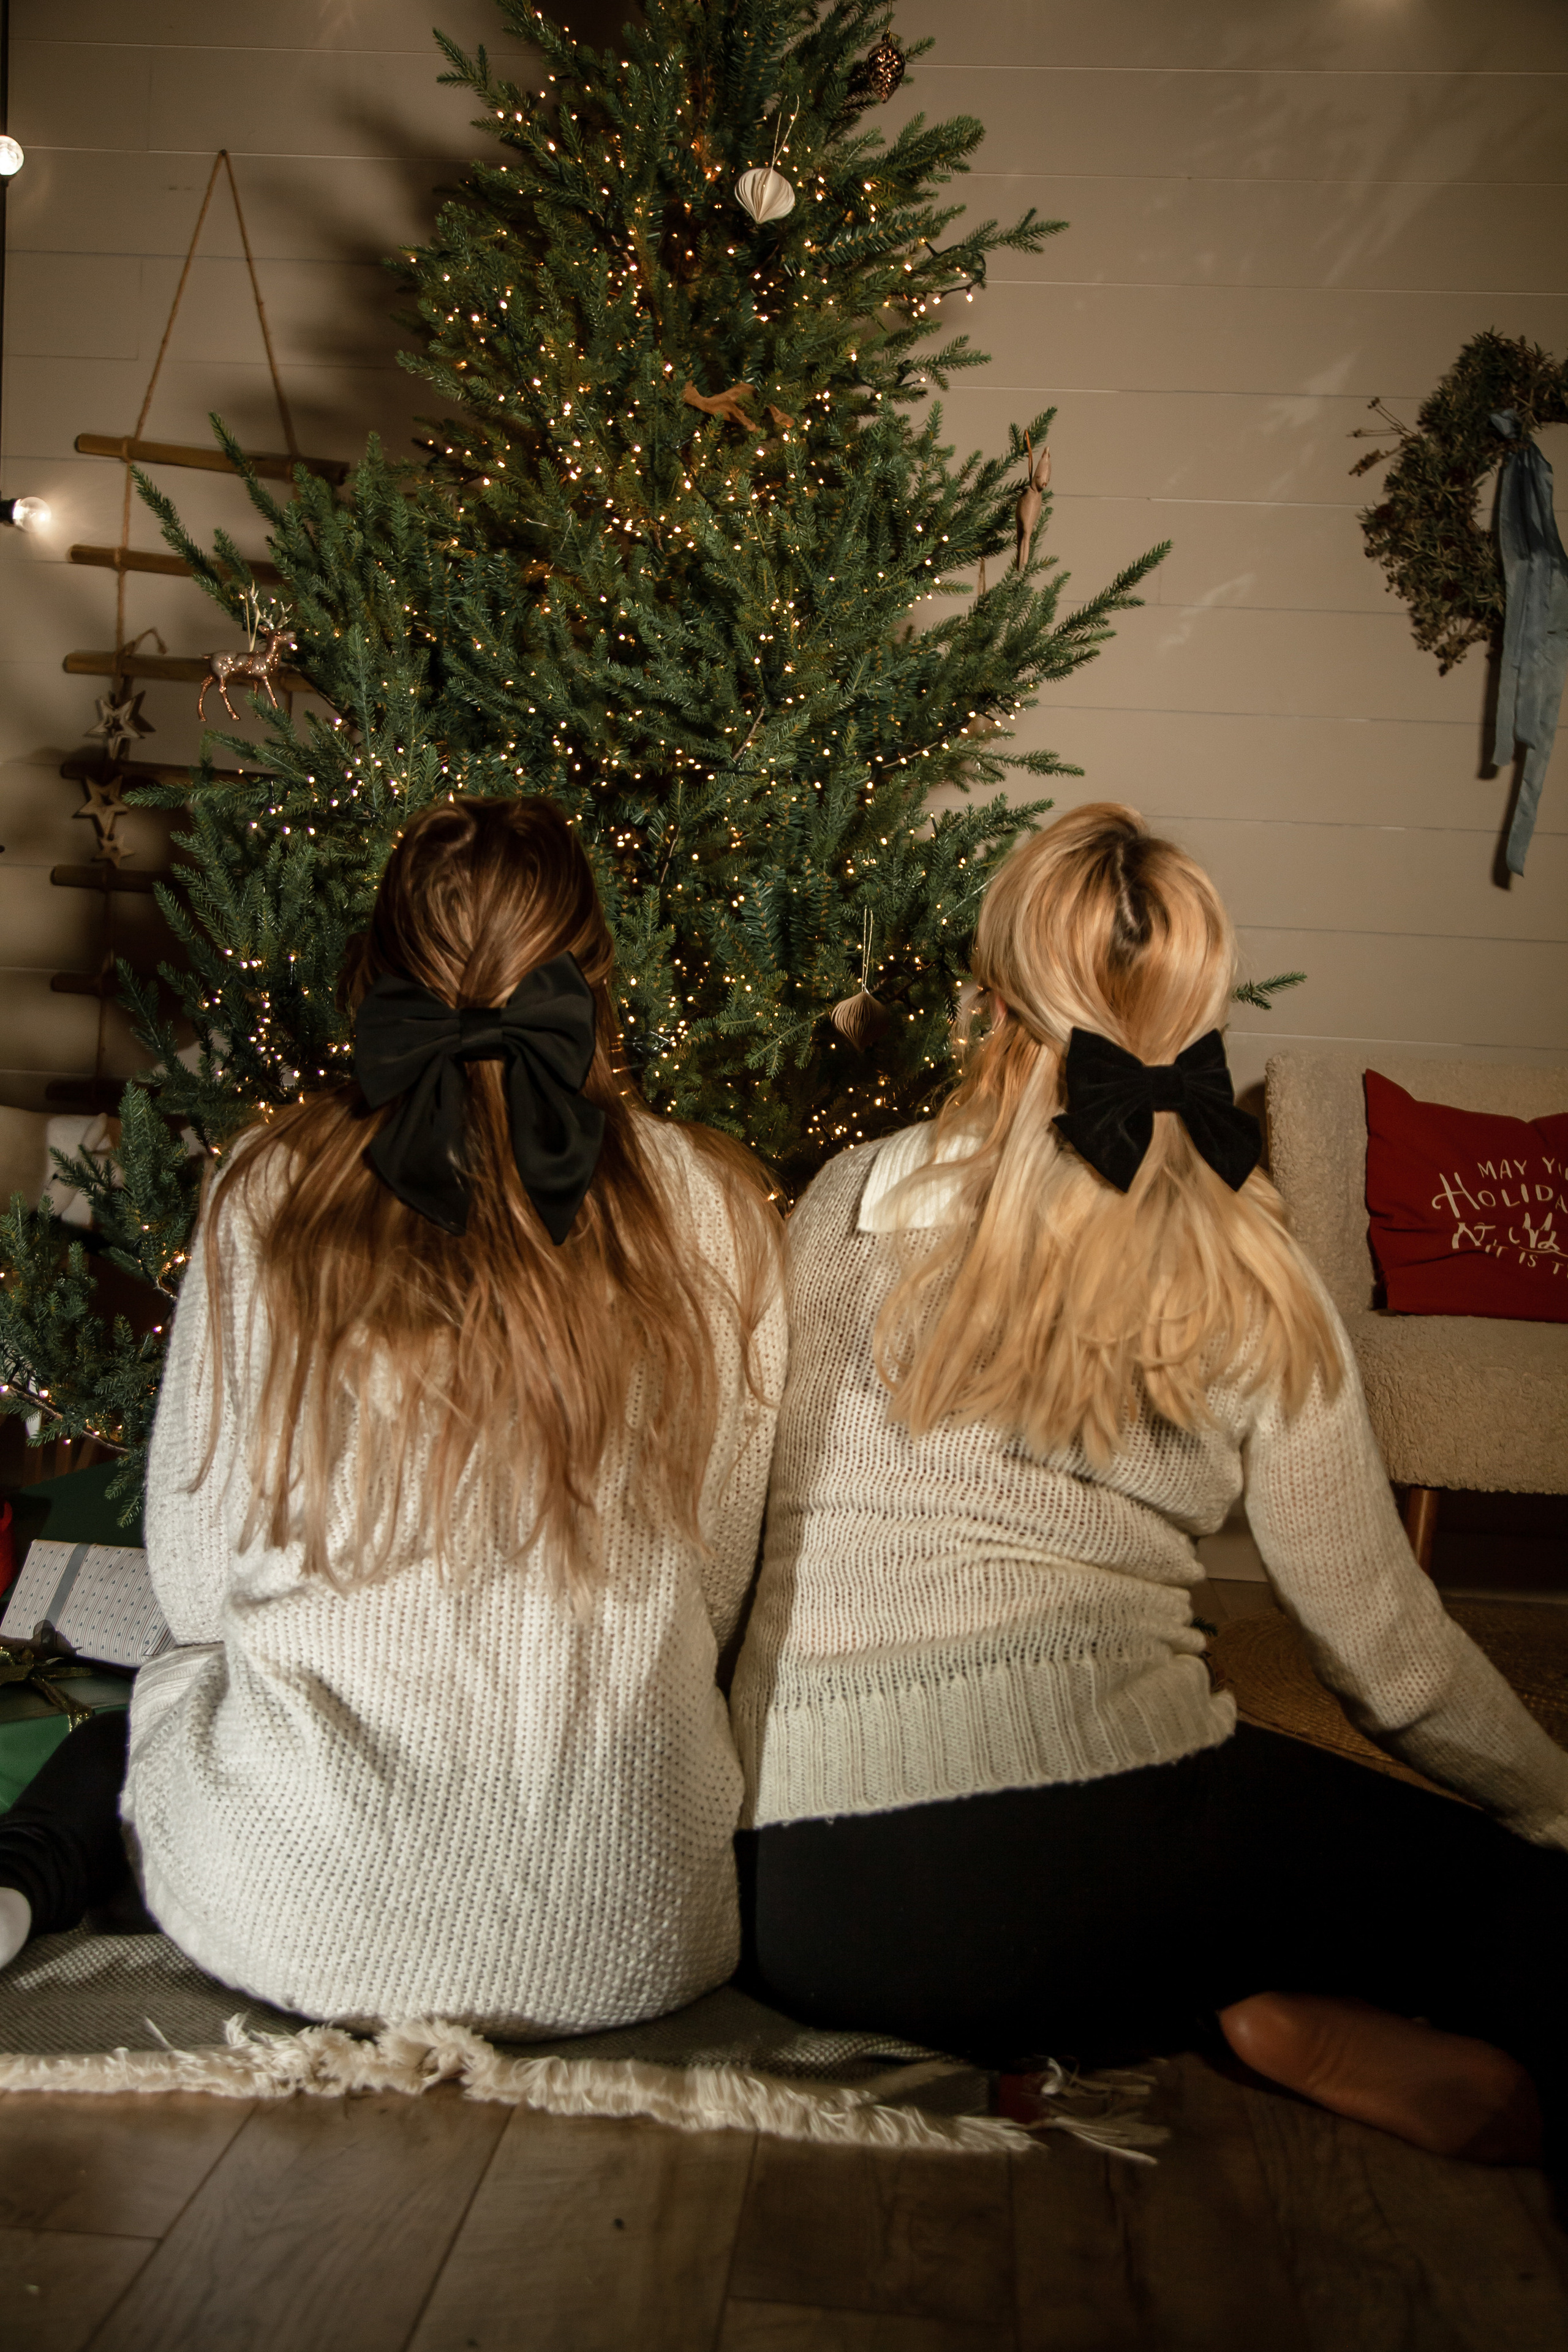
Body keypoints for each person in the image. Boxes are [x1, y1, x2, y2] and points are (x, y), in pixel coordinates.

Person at [731, 803, 1568, 2165]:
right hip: (1098, 1871)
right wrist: (1548, 1802)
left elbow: (751, 1532)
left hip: (807, 1906)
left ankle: (1235, 1995)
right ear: (1196, 1007)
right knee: (1492, 1896)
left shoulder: (847, 1201)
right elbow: (1381, 1652)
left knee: (1167, 1841)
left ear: (982, 1000)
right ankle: (1258, 1989)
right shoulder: (1248, 1270)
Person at [0, 796, 785, 2036]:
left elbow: (199, 1583)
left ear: (376, 967)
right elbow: (725, 1574)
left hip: (302, 1916)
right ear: (590, 974)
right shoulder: (716, 1204)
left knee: (164, 1696)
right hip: (626, 1925)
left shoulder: (266, 1191)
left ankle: (27, 1873)